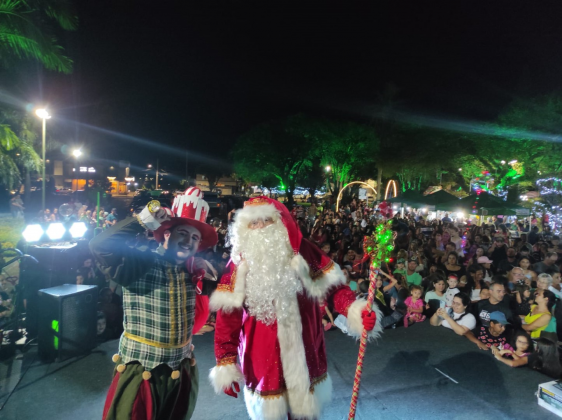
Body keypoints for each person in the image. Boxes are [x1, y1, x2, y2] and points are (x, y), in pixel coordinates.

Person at [209, 196, 380, 420]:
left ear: (280, 222)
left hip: (306, 352)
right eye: (254, 223)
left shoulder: (304, 252)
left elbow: (334, 288)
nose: (261, 228)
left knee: (306, 414)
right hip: (261, 360)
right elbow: (227, 318)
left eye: (266, 221)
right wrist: (226, 360)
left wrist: (353, 309)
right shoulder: (237, 264)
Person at [91, 187, 218, 420]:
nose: (188, 242)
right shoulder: (140, 262)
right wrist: (142, 221)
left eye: (195, 238)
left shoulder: (194, 271)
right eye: (183, 233)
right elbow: (100, 246)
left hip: (181, 369)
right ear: (167, 233)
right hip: (142, 371)